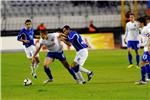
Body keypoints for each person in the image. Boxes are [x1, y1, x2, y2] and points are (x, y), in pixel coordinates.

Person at [135, 16, 150, 85]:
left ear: (141, 23)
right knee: (144, 63)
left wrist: (149, 47)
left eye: (138, 23)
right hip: (146, 49)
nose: (137, 24)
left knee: (142, 63)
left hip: (148, 49)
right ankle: (143, 80)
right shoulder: (142, 29)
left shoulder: (145, 29)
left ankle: (143, 80)